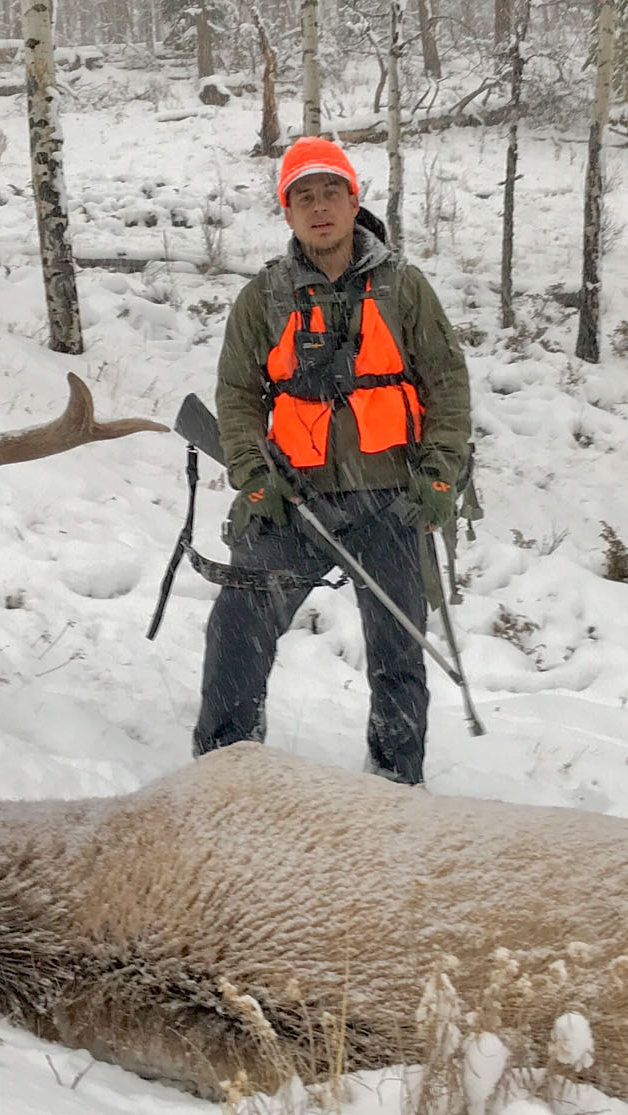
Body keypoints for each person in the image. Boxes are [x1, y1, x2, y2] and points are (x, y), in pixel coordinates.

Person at [192, 137, 473, 786]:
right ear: (286, 211)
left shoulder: (404, 288)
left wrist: (438, 474)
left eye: (331, 193)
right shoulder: (263, 298)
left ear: (355, 200)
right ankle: (224, 771)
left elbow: (447, 384)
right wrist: (251, 474)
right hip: (293, 502)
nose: (319, 208)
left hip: (392, 500)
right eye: (304, 197)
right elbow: (236, 395)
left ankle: (397, 783)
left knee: (398, 653)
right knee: (238, 627)